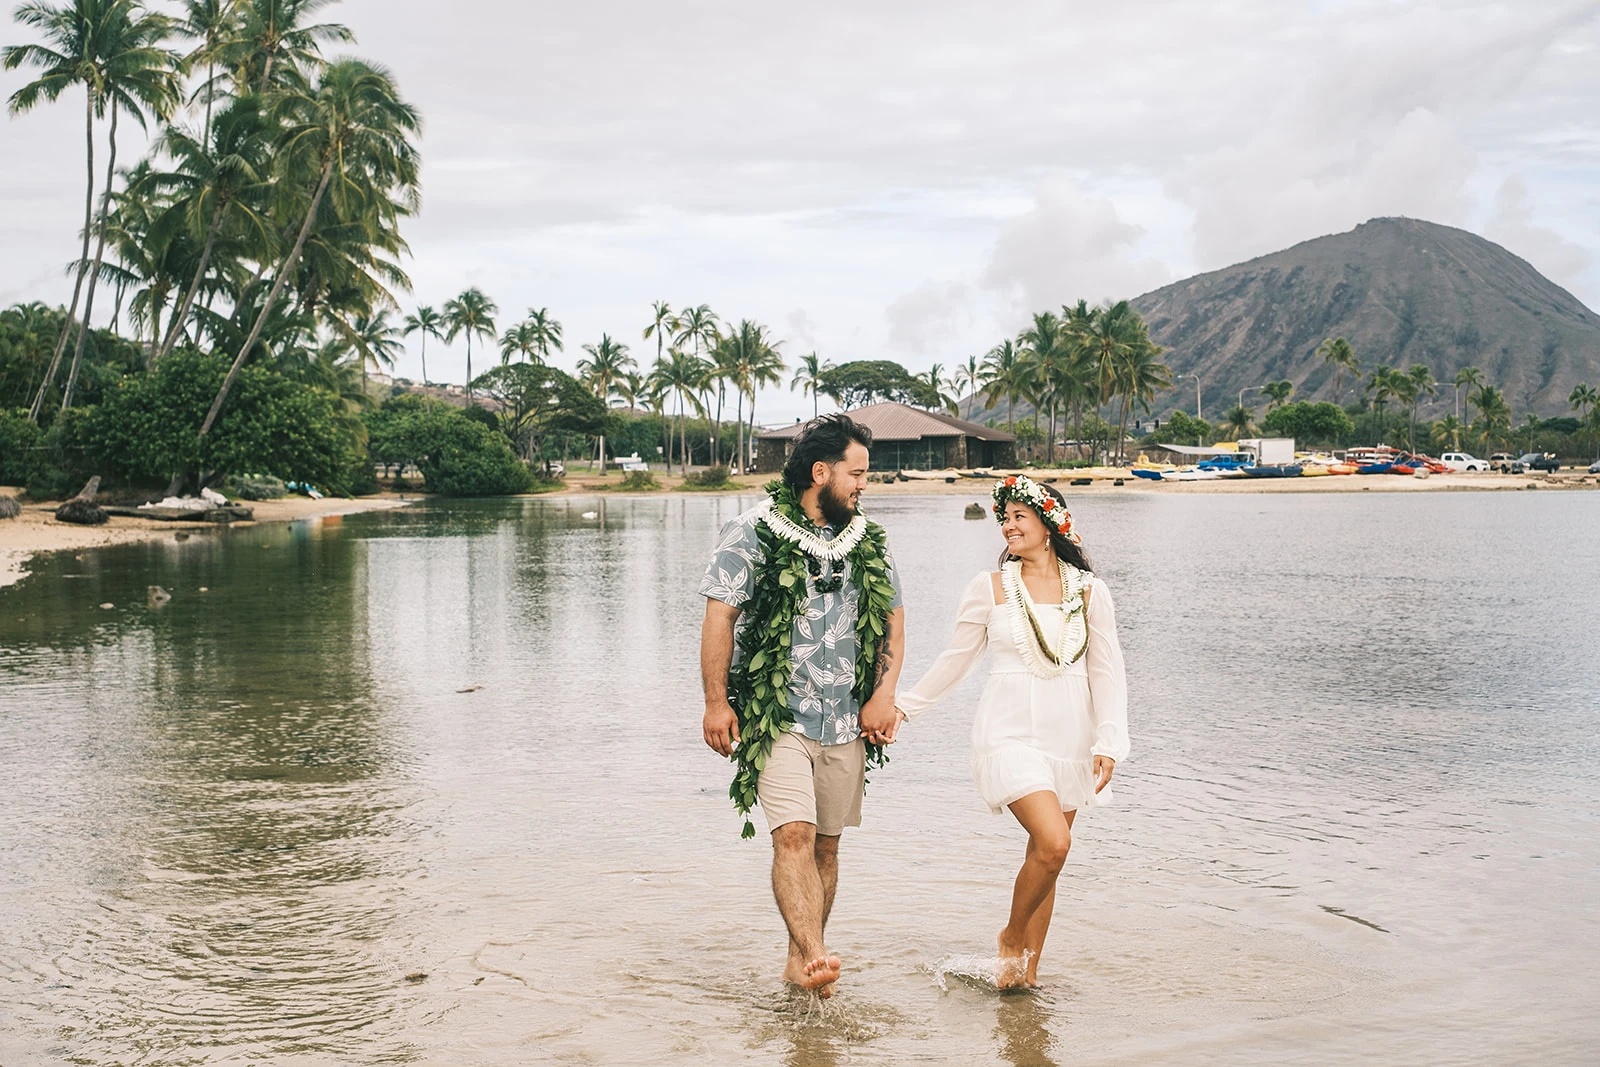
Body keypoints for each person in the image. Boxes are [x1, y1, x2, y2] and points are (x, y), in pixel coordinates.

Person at [891, 474, 1129, 989]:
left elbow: (1107, 670)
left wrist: (1109, 742)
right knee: (1055, 842)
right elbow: (956, 660)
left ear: (1050, 524)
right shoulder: (991, 587)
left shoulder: (1090, 591)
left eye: (1019, 516)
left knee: (1046, 859)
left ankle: (1022, 977)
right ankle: (1011, 937)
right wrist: (903, 708)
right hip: (1008, 731)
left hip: (1071, 737)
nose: (1007, 526)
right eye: (1005, 518)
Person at [699, 414, 906, 996]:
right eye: (856, 473)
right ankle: (817, 954)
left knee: (826, 846)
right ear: (821, 472)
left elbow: (893, 623)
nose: (864, 484)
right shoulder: (752, 531)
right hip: (777, 714)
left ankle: (798, 962)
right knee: (793, 835)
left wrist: (884, 696)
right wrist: (716, 703)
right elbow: (719, 618)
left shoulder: (867, 539)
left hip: (845, 716)